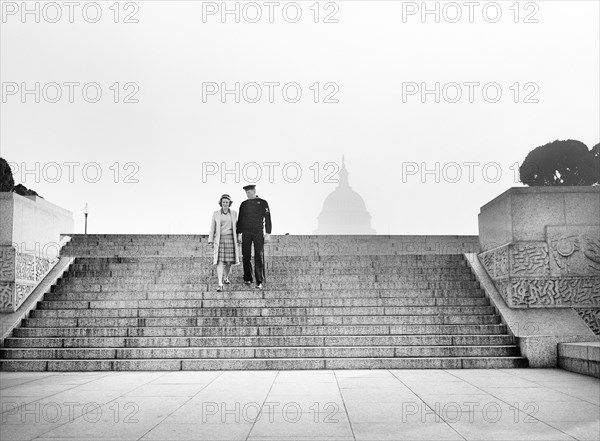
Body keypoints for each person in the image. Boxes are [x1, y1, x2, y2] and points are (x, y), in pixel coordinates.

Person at [236, 184, 272, 289]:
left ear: (254, 191)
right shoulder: (244, 204)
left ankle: (259, 281)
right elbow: (240, 219)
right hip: (246, 232)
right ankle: (247, 278)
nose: (248, 195)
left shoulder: (262, 202)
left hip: (258, 231)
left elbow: (268, 218)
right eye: (246, 193)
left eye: (249, 192)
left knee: (258, 256)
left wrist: (268, 233)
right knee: (246, 255)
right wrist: (239, 233)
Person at [208, 194, 240, 291]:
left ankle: (226, 277)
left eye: (227, 202)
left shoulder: (234, 213)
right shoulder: (216, 213)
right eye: (223, 202)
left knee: (229, 262)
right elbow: (212, 226)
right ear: (221, 203)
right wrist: (210, 240)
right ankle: (220, 283)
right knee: (220, 262)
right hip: (220, 240)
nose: (225, 204)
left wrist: (239, 237)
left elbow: (238, 227)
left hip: (231, 239)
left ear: (229, 203)